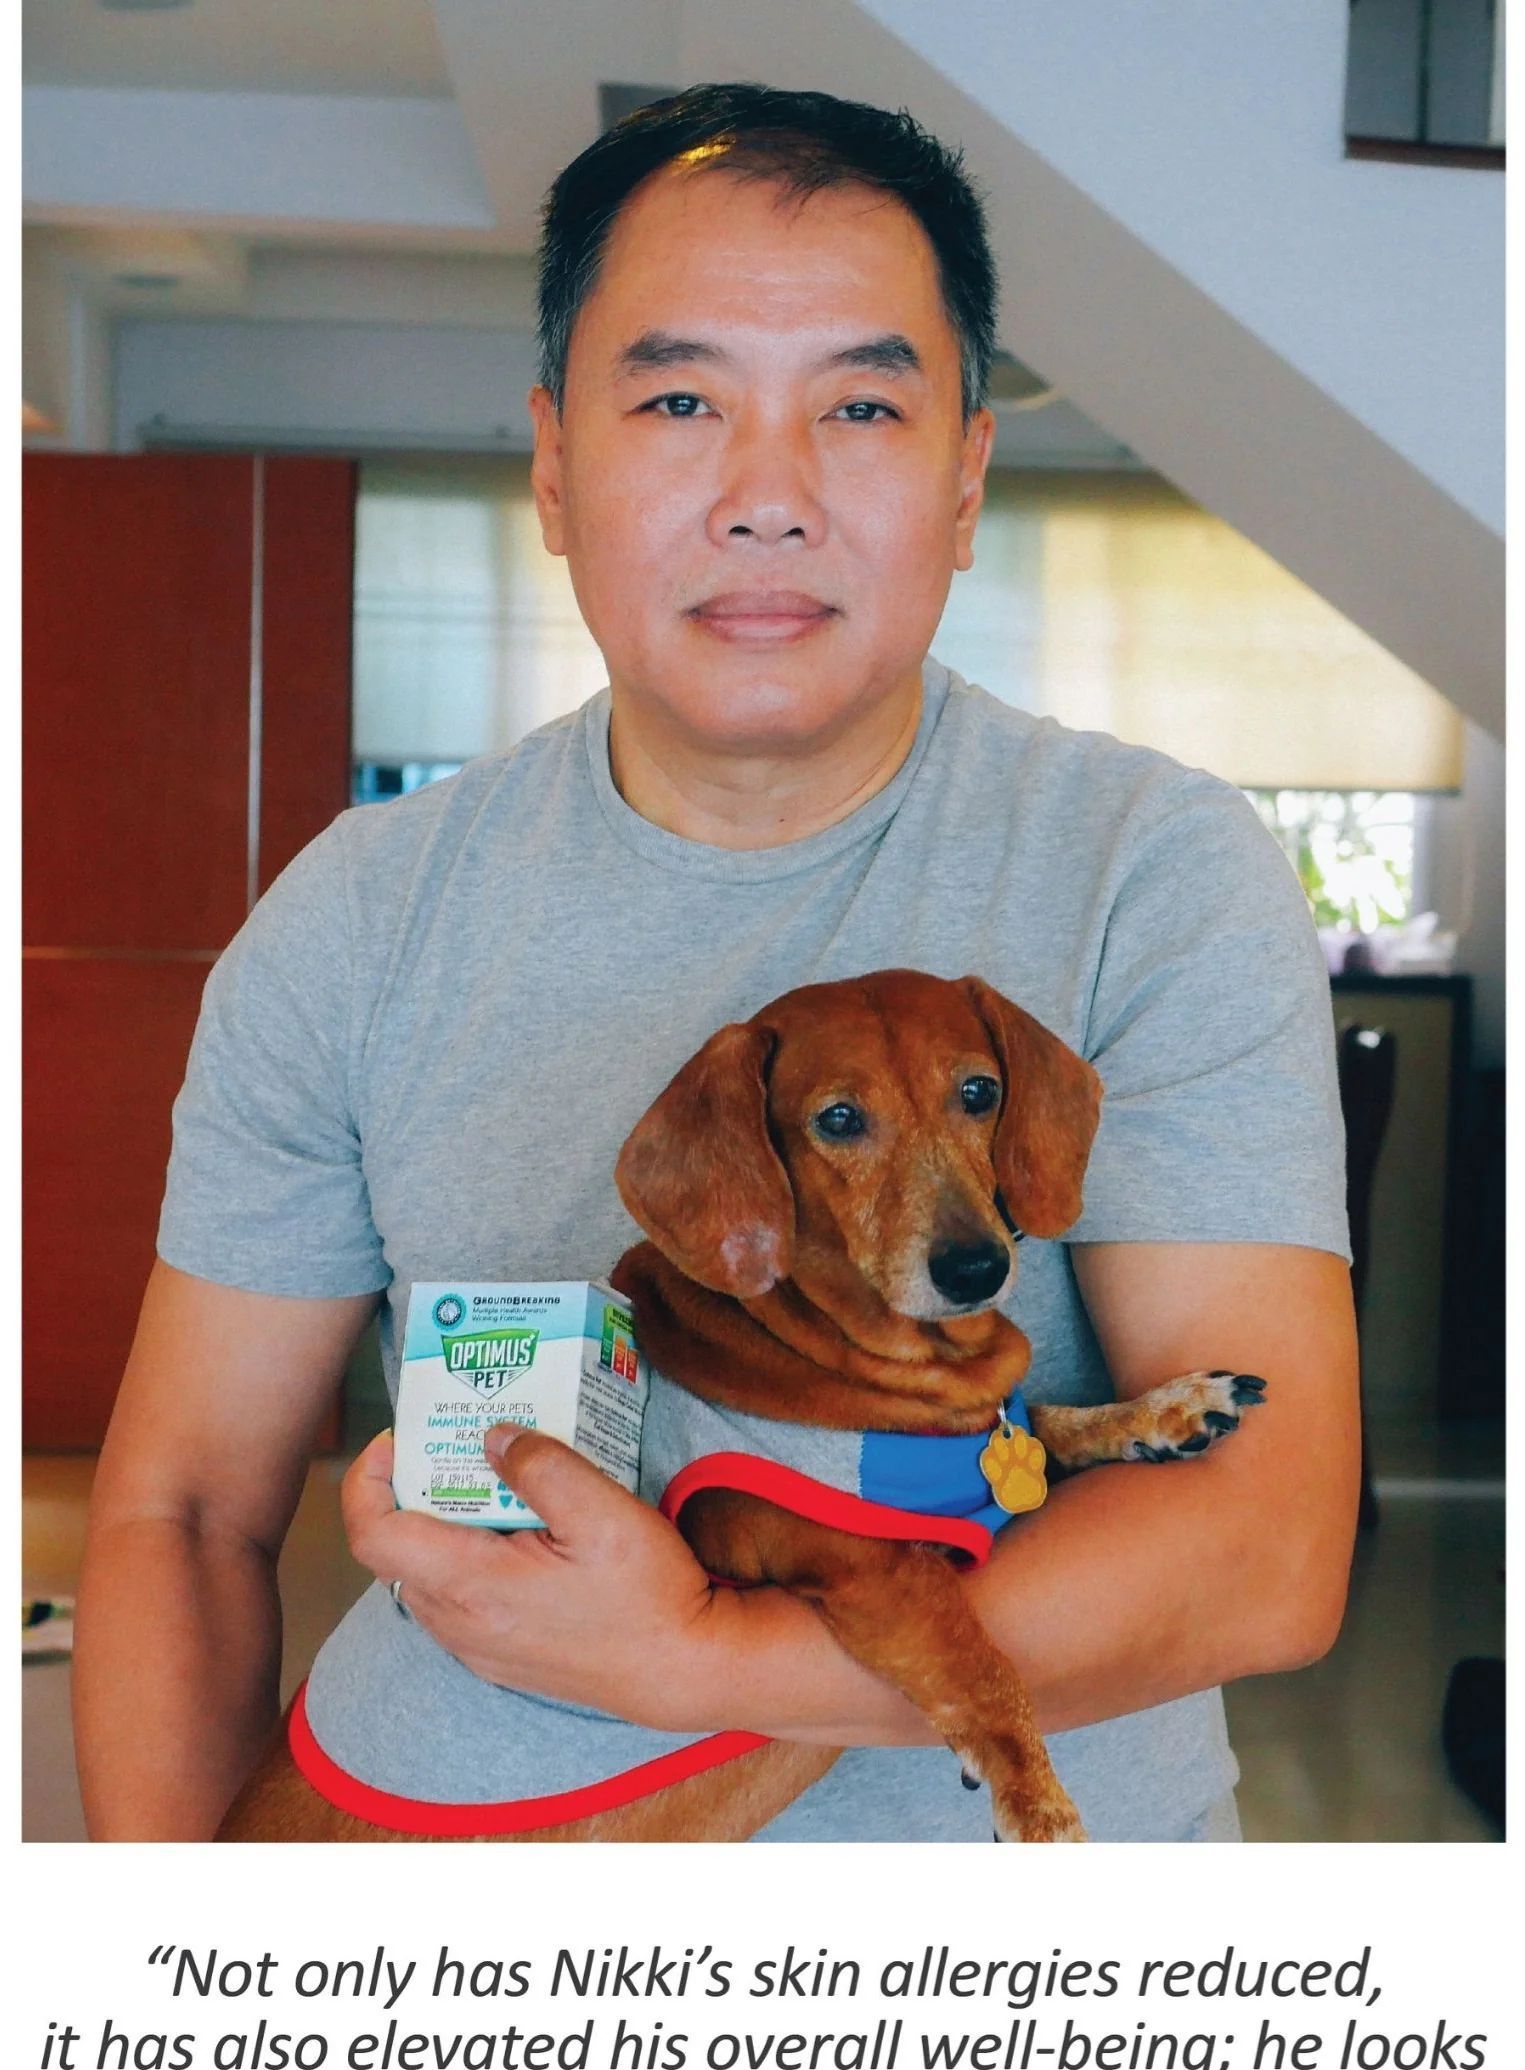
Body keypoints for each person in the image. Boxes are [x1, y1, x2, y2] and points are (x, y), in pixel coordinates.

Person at [74, 84, 1359, 1843]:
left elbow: (1263, 1547)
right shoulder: (356, 917)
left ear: (967, 475)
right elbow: (181, 1521)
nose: (768, 497)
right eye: (680, 399)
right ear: (550, 464)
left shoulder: (1152, 869)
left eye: (860, 403)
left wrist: (698, 1662)